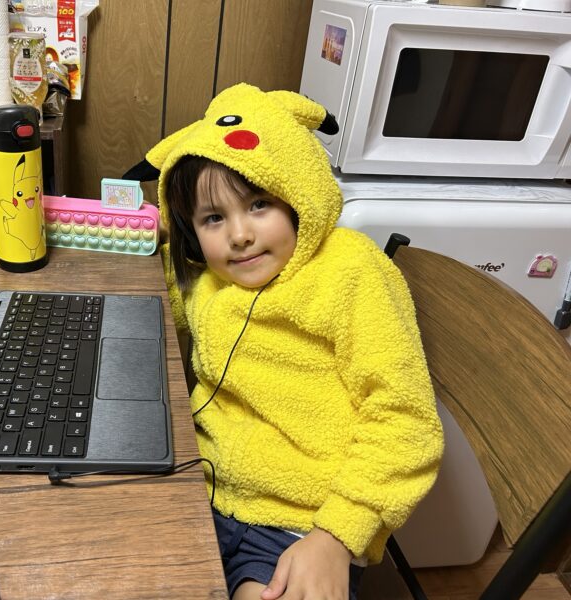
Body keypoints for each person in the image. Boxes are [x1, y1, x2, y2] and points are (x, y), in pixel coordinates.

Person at [125, 83, 444, 600]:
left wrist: (337, 535)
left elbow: (406, 424)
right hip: (200, 484)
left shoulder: (351, 272)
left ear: (298, 193)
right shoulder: (210, 279)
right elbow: (156, 298)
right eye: (213, 218)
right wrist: (133, 234)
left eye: (259, 204)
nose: (239, 235)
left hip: (304, 522)